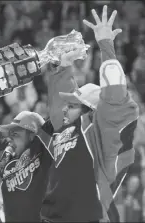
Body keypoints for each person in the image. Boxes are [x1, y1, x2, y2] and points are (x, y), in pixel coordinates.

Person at [0, 33, 83, 221]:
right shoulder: (4, 155)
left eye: (16, 132)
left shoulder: (48, 149)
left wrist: (62, 68)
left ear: (34, 135)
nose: (10, 136)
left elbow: (63, 115)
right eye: (10, 131)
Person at [38, 5, 139, 222]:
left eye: (74, 105)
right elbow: (59, 107)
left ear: (92, 114)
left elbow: (115, 102)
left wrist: (106, 46)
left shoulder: (102, 141)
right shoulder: (66, 130)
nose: (65, 109)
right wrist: (63, 68)